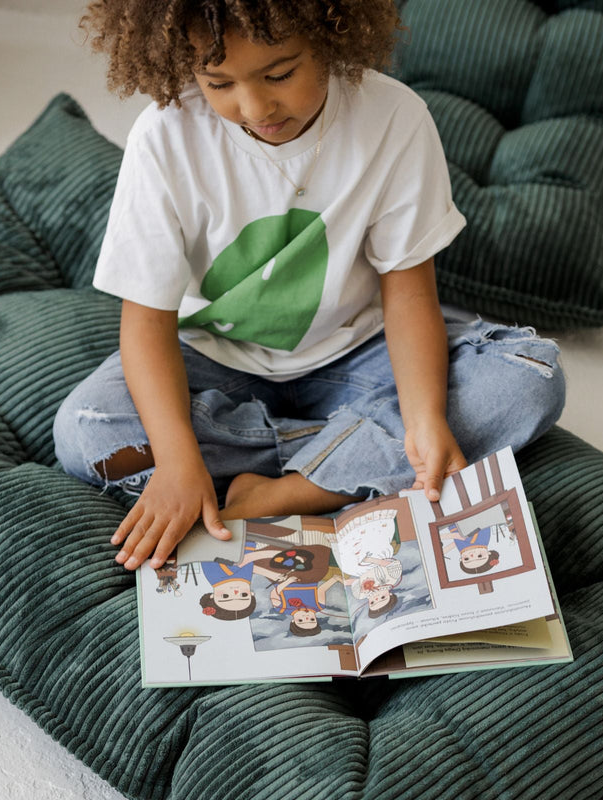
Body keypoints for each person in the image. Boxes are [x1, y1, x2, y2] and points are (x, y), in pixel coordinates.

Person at [54, 0, 565, 572]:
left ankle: (287, 492)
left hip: (361, 355)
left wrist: (424, 420)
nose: (255, 107)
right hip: (215, 359)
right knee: (84, 430)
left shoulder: (394, 117)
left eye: (279, 74)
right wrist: (175, 461)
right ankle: (354, 454)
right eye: (219, 83)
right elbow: (146, 324)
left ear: (331, 34)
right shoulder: (163, 137)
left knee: (530, 378)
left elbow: (409, 293)